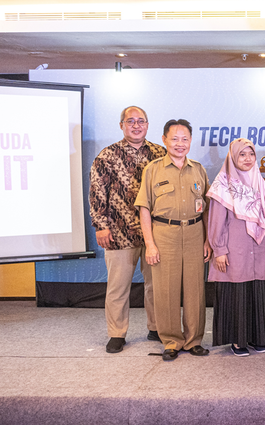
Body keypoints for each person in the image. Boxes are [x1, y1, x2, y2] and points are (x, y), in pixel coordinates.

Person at [89, 106, 166, 354]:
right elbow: (97, 192)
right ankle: (117, 333)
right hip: (118, 232)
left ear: (147, 124)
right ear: (121, 125)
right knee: (118, 286)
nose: (136, 125)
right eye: (130, 121)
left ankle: (156, 327)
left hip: (155, 232)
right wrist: (101, 226)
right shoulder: (107, 155)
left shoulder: (160, 153)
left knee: (156, 284)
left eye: (141, 121)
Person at [135, 119, 212, 361]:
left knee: (195, 290)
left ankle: (193, 340)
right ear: (164, 140)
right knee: (165, 290)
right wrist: (150, 244)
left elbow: (207, 209)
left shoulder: (198, 169)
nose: (180, 143)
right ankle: (171, 340)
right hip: (164, 234)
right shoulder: (153, 169)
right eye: (175, 138)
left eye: (185, 139)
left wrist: (207, 240)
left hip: (194, 233)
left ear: (190, 141)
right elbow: (144, 208)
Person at [207, 138, 265, 357]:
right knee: (236, 293)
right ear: (232, 157)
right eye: (242, 155)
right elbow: (216, 220)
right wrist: (219, 250)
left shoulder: (259, 182)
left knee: (257, 290)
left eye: (251, 154)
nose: (247, 159)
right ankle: (238, 341)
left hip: (258, 248)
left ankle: (258, 337)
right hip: (234, 249)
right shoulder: (223, 184)